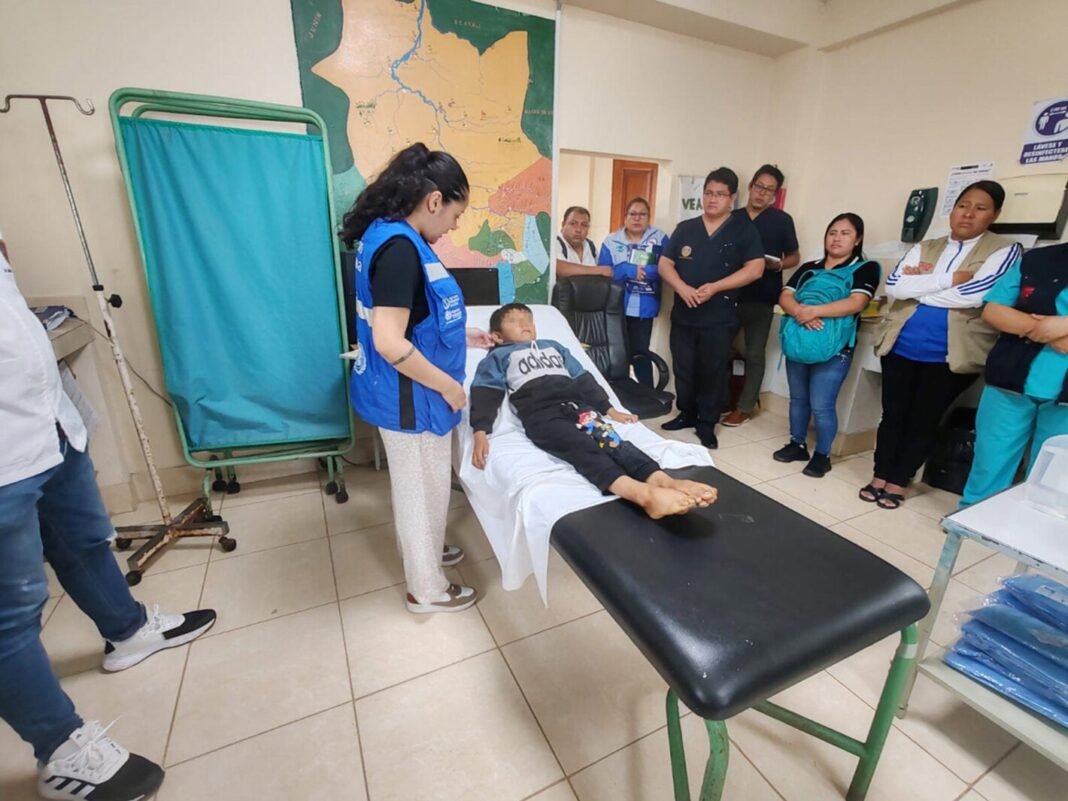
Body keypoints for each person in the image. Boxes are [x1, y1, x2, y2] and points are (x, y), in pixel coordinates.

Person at [0, 229, 217, 801]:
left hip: (46, 420)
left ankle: (127, 631)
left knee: (84, 538)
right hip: (3, 452)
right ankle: (61, 749)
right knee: (11, 611)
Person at [341, 143, 480, 614]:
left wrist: (466, 332)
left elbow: (419, 313)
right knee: (422, 490)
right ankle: (427, 589)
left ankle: (425, 550)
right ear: (434, 201)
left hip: (404, 391)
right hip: (410, 397)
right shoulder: (401, 250)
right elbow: (389, 340)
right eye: (455, 214)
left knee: (422, 487)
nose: (455, 226)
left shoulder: (392, 234)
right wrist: (448, 385)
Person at [469, 303, 717, 518]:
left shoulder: (554, 347)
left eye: (529, 320)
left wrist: (610, 410)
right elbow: (485, 392)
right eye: (515, 321)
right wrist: (480, 430)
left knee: (613, 442)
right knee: (582, 447)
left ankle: (664, 481)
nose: (526, 325)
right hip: (543, 415)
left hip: (579, 408)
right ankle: (642, 495)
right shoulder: (498, 356)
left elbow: (583, 379)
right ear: (498, 336)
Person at [864, 181, 1021, 509]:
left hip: (949, 356)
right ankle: (880, 475)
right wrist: (950, 279)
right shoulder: (928, 245)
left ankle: (899, 481)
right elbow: (894, 287)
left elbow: (977, 296)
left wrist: (918, 285)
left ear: (995, 214)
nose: (968, 213)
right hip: (900, 346)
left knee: (924, 418)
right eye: (964, 205)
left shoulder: (1004, 250)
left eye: (980, 208)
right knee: (893, 415)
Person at [658, 167, 764, 449]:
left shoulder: (743, 230)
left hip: (719, 317)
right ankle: (687, 414)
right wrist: (681, 287)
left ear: (732, 198)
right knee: (684, 367)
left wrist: (716, 287)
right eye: (708, 193)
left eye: (720, 194)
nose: (712, 199)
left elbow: (755, 268)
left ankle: (706, 424)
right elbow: (665, 263)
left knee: (712, 370)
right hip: (684, 314)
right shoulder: (686, 228)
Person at [773, 213, 881, 477]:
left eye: (845, 233)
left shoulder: (865, 268)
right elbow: (785, 295)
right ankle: (797, 443)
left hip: (835, 348)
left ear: (858, 239)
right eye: (833, 232)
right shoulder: (810, 266)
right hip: (799, 340)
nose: (837, 238)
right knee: (798, 398)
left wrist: (813, 311)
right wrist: (801, 312)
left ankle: (823, 455)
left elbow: (856, 303)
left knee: (821, 404)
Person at [961, 242, 1068, 506]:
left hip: (1064, 399)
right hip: (1011, 379)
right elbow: (994, 310)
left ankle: (1029, 535)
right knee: (989, 461)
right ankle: (971, 519)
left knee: (1052, 478)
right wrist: (1045, 329)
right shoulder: (1039, 259)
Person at [723, 164, 800, 427]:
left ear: (775, 194)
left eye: (769, 190)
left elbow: (794, 257)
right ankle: (721, 399)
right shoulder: (732, 217)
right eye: (759, 187)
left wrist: (777, 265)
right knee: (719, 349)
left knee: (754, 353)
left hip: (762, 296)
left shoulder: (782, 220)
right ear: (750, 186)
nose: (762, 193)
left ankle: (744, 407)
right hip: (727, 295)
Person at [597, 197, 670, 386]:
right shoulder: (611, 241)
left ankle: (646, 394)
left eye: (642, 214)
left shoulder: (660, 238)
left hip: (644, 308)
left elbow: (668, 267)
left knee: (640, 353)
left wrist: (646, 272)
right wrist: (627, 270)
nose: (637, 218)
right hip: (615, 307)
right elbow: (603, 272)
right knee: (617, 354)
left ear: (648, 217)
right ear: (625, 217)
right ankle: (618, 396)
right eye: (632, 214)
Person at [554, 206, 608, 279]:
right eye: (573, 224)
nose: (578, 229)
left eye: (584, 225)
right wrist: (599, 271)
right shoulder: (555, 243)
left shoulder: (590, 246)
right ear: (563, 225)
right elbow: (561, 270)